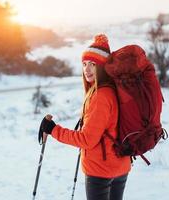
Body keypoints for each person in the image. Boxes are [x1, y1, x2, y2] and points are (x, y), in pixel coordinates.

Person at [39, 34, 131, 200]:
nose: (87, 69)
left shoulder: (101, 96)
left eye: (93, 64)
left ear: (102, 67)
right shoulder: (113, 90)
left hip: (101, 170)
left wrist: (53, 130)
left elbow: (87, 140)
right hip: (120, 165)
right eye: (84, 64)